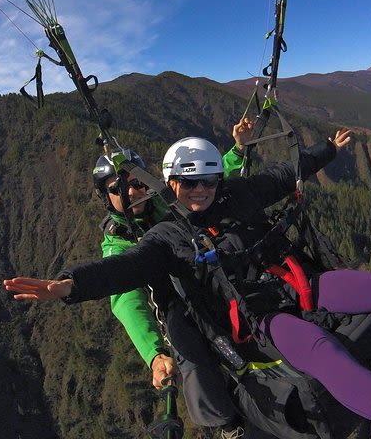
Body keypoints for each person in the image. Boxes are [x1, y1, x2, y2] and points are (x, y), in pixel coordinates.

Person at [4, 130, 371, 439]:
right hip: (258, 322)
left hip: (303, 286)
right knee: (320, 352)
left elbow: (286, 174)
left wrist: (326, 151)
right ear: (171, 186)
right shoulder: (166, 240)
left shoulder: (238, 193)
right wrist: (66, 287)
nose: (200, 191)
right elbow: (120, 273)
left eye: (206, 181)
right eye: (189, 184)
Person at [91, 117, 252, 438]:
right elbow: (127, 301)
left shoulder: (166, 207)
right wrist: (154, 354)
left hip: (211, 281)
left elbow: (207, 185)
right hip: (180, 304)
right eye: (117, 188)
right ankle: (226, 425)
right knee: (190, 353)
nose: (131, 192)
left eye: (137, 183)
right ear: (104, 194)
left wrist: (237, 150)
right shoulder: (119, 244)